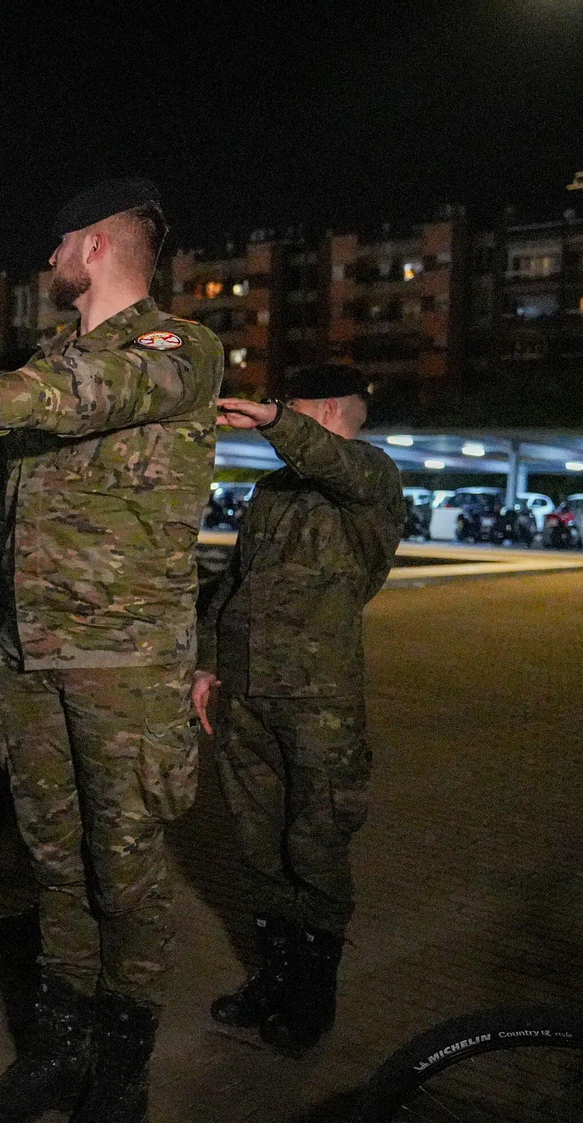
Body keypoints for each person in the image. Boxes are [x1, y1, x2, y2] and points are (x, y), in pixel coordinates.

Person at [0, 177, 221, 1123]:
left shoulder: (176, 348)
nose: (48, 260)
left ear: (96, 245)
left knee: (127, 872)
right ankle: (59, 1049)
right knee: (55, 866)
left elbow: (106, 390)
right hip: (30, 659)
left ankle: (121, 1073)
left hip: (124, 666)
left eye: (60, 244)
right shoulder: (50, 363)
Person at [193, 363, 402, 1057]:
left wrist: (274, 422)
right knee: (258, 845)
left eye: (291, 403)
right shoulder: (274, 490)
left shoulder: (370, 478)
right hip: (247, 695)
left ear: (330, 410)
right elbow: (235, 582)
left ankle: (311, 994)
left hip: (319, 703)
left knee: (315, 846)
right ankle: (273, 976)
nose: (278, 410)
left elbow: (333, 463)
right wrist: (207, 663)